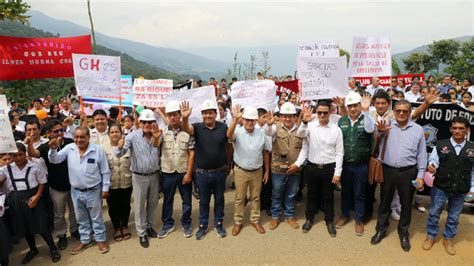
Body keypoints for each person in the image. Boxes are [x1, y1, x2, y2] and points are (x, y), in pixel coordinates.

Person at [370, 100, 426, 252]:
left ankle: (403, 233)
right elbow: (376, 141)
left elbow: (422, 154)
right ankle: (381, 229)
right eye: (398, 110)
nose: (401, 113)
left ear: (410, 112)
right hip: (388, 170)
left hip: (409, 172)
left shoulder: (418, 129)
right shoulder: (386, 125)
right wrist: (380, 132)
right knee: (385, 201)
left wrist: (421, 175)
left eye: (405, 111)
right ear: (393, 111)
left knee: (406, 204)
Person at [49, 127, 111, 254]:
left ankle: (100, 239)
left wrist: (105, 188)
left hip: (93, 190)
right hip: (76, 191)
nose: (79, 140)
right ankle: (86, 239)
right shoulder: (69, 148)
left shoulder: (97, 150)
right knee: (81, 218)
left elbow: (105, 171)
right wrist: (53, 149)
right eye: (76, 137)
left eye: (82, 137)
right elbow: (54, 159)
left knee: (96, 217)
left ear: (88, 137)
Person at [0, 143, 61, 264]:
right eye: (14, 155)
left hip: (33, 197)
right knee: (25, 227)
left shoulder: (34, 166)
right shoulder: (5, 169)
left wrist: (37, 197)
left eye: (21, 154)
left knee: (42, 225)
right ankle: (33, 249)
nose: (18, 158)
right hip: (16, 200)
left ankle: (53, 248)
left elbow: (42, 182)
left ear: (25, 153)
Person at [422, 116, 474, 255]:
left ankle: (448, 238)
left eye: (461, 128)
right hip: (440, 187)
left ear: (467, 130)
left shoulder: (472, 148)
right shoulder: (440, 144)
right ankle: (431, 236)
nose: (457, 131)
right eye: (455, 128)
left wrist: (472, 190)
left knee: (453, 217)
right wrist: (432, 165)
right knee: (433, 213)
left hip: (461, 189)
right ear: (451, 129)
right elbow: (433, 160)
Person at [181, 99, 231, 240]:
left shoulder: (223, 127)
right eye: (205, 113)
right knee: (203, 201)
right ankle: (203, 226)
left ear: (216, 114)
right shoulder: (197, 127)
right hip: (202, 173)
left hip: (220, 172)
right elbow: (186, 129)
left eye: (210, 113)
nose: (207, 116)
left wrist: (228, 165)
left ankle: (219, 223)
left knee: (219, 200)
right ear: (202, 115)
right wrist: (184, 117)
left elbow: (229, 145)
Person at [26, 119, 78, 250]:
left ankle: (75, 230)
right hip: (56, 187)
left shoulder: (70, 142)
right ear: (49, 133)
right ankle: (61, 235)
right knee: (59, 214)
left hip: (73, 184)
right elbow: (33, 154)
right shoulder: (45, 147)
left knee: (74, 210)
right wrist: (29, 144)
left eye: (61, 130)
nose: (59, 133)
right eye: (56, 131)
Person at [115, 109, 162, 248]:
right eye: (144, 122)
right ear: (140, 122)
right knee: (140, 205)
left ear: (154, 122)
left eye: (150, 122)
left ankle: (149, 226)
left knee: (153, 203)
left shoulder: (157, 134)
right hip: (139, 176)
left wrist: (157, 137)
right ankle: (142, 233)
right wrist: (119, 147)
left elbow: (158, 147)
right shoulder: (131, 136)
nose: (147, 124)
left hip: (154, 174)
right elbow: (121, 152)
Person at [296, 101, 344, 236]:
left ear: (330, 113)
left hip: (329, 168)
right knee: (311, 195)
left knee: (328, 196)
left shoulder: (336, 129)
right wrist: (304, 122)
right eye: (319, 112)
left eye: (325, 112)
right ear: (316, 113)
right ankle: (309, 219)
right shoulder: (309, 126)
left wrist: (337, 173)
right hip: (312, 167)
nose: (322, 115)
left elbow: (340, 153)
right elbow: (300, 135)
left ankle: (329, 221)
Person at [227, 105, 271, 236]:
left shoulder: (261, 133)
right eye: (247, 119)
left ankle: (254, 220)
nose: (249, 122)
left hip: (257, 171)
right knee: (240, 198)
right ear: (243, 120)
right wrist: (235, 120)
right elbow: (228, 135)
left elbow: (266, 153)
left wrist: (267, 171)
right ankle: (238, 222)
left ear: (256, 121)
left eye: (252, 120)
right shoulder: (238, 131)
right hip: (241, 170)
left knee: (256, 197)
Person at [336, 92, 374, 236]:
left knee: (359, 193)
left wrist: (366, 110)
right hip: (345, 164)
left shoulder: (367, 119)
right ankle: (345, 216)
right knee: (345, 192)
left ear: (360, 105)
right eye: (350, 106)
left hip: (361, 165)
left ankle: (358, 220)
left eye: (356, 106)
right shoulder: (342, 121)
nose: (353, 109)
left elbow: (370, 129)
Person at [158, 101, 195, 239]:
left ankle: (186, 223)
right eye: (169, 115)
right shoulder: (162, 131)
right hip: (167, 172)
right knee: (167, 199)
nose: (172, 117)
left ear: (180, 116)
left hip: (183, 171)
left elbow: (192, 153)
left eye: (174, 114)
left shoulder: (188, 132)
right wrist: (156, 139)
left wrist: (189, 173)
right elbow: (156, 145)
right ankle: (167, 224)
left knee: (187, 200)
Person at [265, 102, 303, 230]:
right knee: (277, 193)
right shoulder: (275, 127)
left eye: (290, 116)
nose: (287, 119)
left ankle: (289, 216)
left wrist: (297, 164)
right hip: (278, 169)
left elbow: (305, 149)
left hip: (295, 169)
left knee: (292, 194)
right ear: (280, 117)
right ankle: (275, 217)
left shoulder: (300, 130)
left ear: (295, 117)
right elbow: (269, 133)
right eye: (285, 116)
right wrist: (269, 125)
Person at [103, 124, 133, 242]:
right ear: (108, 134)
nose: (115, 134)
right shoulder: (103, 148)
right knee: (113, 206)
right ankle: (116, 227)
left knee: (125, 205)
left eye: (117, 132)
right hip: (111, 183)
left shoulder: (128, 146)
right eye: (112, 132)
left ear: (121, 133)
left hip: (126, 182)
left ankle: (124, 226)